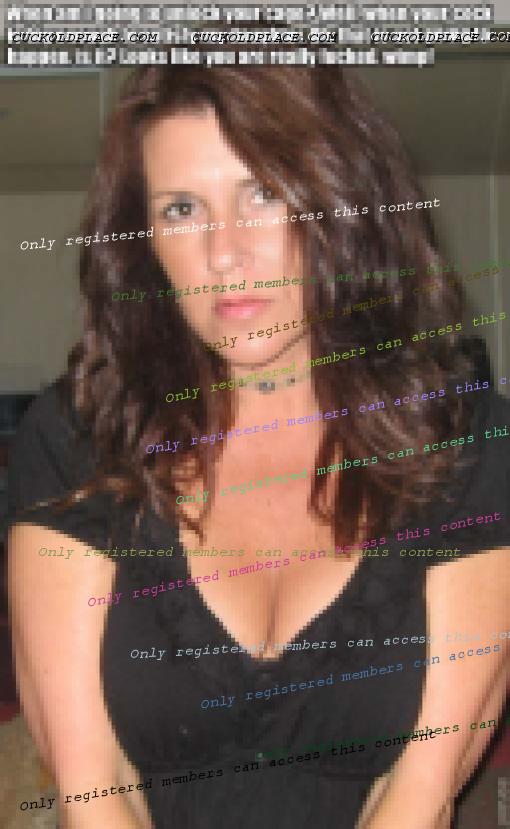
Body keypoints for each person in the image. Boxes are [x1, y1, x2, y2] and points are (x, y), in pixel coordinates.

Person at [7, 66, 509, 829]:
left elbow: (419, 791)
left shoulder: (469, 444)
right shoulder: (77, 440)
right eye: (182, 208)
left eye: (265, 193)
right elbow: (93, 788)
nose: (224, 252)